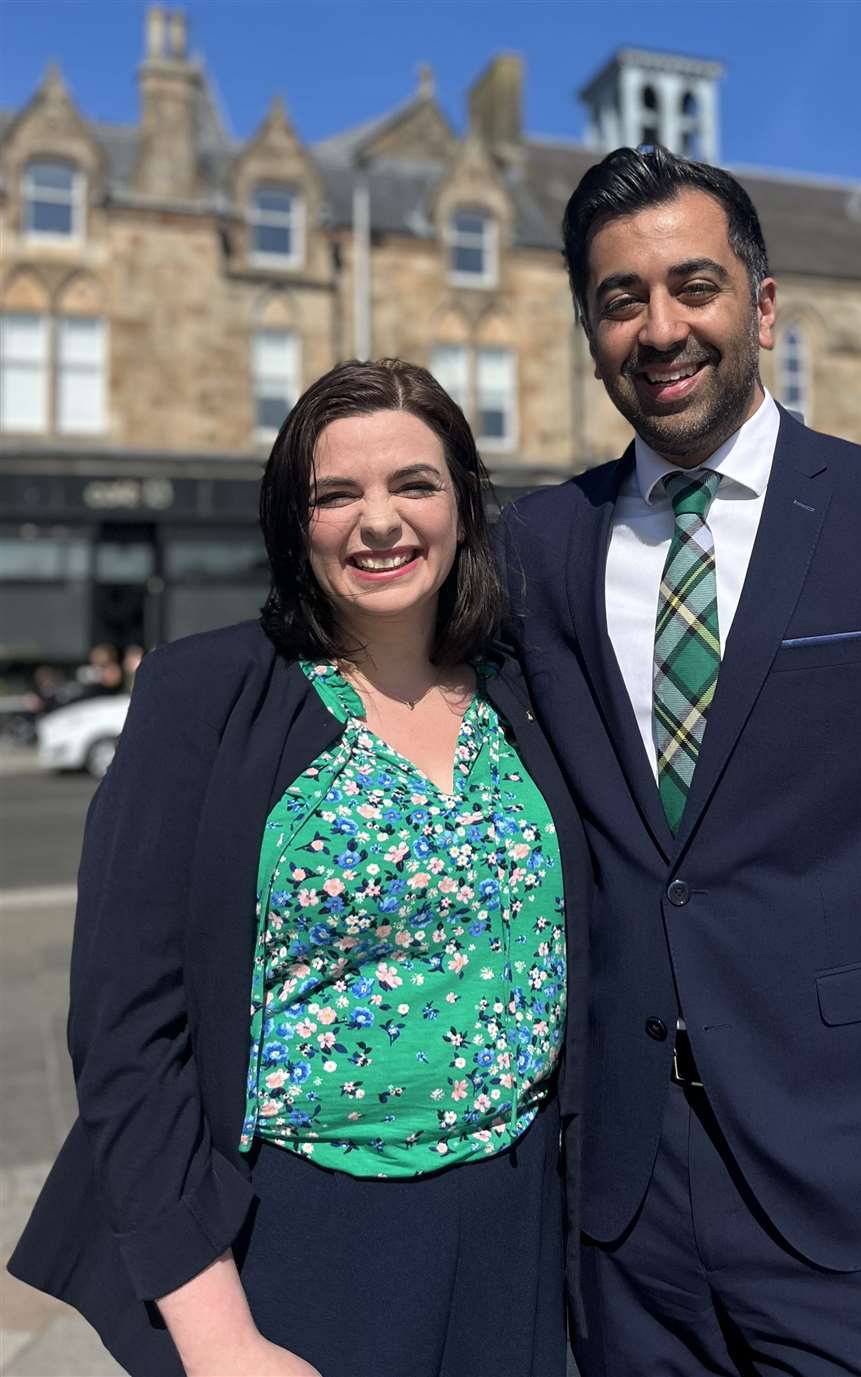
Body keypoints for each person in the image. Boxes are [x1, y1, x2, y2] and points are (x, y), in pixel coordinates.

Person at [500, 146, 861, 1376]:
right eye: (620, 299)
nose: (660, 328)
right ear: (591, 331)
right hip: (627, 1212)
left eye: (693, 285)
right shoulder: (539, 546)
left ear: (760, 302)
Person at [9, 358, 589, 1377]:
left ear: (462, 505)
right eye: (336, 494)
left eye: (414, 484)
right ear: (296, 521)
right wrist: (219, 1335)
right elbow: (124, 1030)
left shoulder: (524, 688)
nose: (380, 522)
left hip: (524, 1221)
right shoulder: (209, 693)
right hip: (305, 1234)